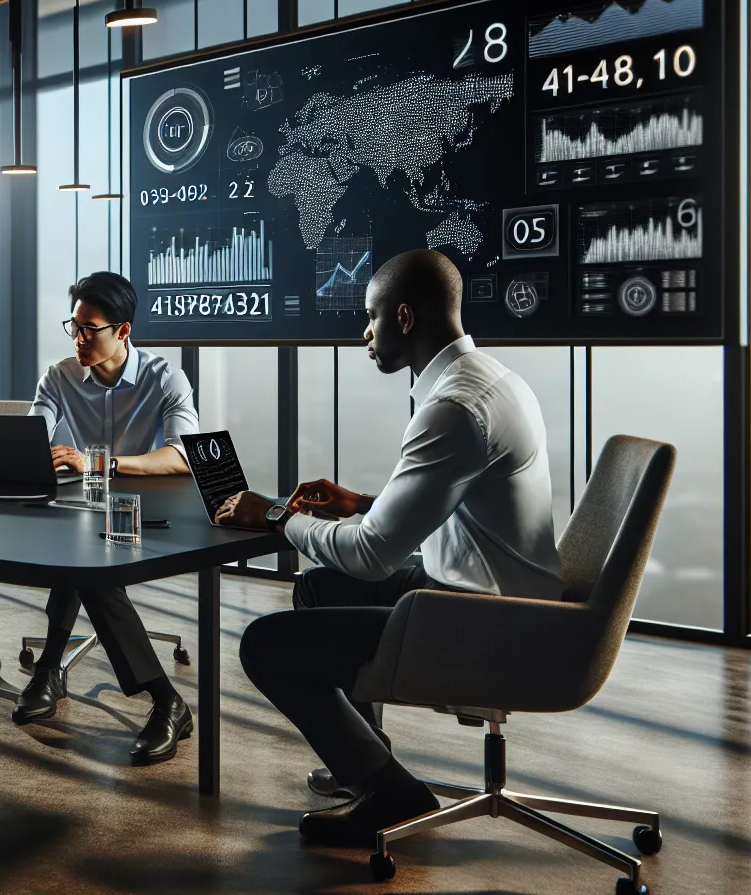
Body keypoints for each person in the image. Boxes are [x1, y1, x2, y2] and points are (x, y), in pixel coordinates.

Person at [222, 249, 561, 846]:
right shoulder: (487, 379)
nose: (365, 332)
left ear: (404, 318)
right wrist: (358, 505)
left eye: (371, 316)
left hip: (486, 620)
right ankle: (367, 759)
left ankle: (390, 792)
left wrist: (276, 516)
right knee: (319, 587)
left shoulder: (454, 408)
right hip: (497, 591)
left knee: (265, 645)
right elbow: (452, 501)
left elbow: (373, 556)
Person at [12, 271, 201, 765]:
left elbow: (184, 457)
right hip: (84, 509)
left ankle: (160, 697)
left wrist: (101, 464)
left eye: (89, 329)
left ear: (122, 331)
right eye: (73, 326)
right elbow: (30, 437)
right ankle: (156, 698)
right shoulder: (60, 376)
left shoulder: (166, 378)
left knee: (85, 561)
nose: (78, 339)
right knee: (81, 552)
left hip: (151, 513)